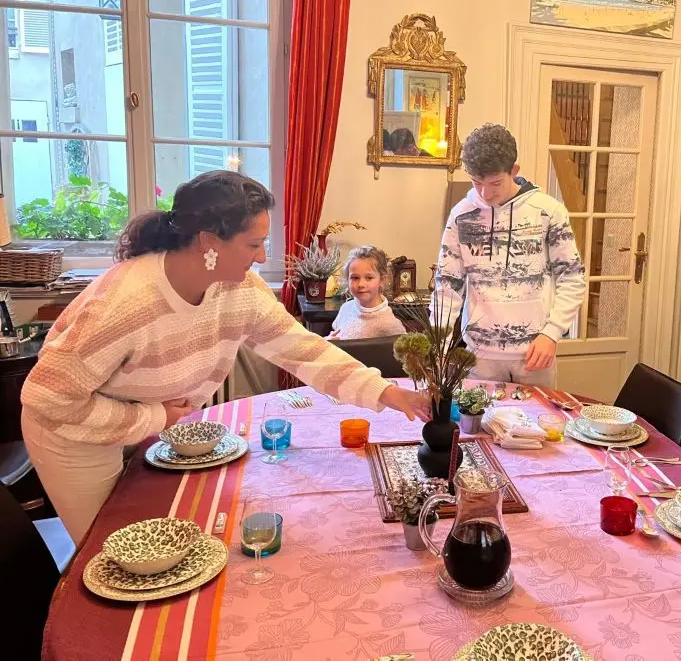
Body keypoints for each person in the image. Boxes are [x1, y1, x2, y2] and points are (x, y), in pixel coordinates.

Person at [20, 171, 429, 544]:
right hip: (71, 434)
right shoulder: (125, 303)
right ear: (209, 242)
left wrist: (385, 393)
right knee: (114, 549)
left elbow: (303, 349)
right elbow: (47, 399)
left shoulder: (238, 289)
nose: (261, 255)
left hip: (149, 417)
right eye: (253, 244)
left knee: (159, 530)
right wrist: (153, 418)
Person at [431, 123, 586, 387]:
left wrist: (552, 333)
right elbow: (447, 287)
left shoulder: (548, 211)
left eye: (495, 183)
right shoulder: (461, 215)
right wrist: (439, 347)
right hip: (479, 359)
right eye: (476, 182)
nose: (485, 193)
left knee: (538, 427)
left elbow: (572, 279)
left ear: (514, 171)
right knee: (476, 427)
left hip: (535, 355)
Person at [326, 246, 406, 340]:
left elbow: (402, 352)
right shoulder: (346, 308)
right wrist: (329, 340)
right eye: (355, 278)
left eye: (369, 278)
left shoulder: (390, 324)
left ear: (382, 280)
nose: (361, 284)